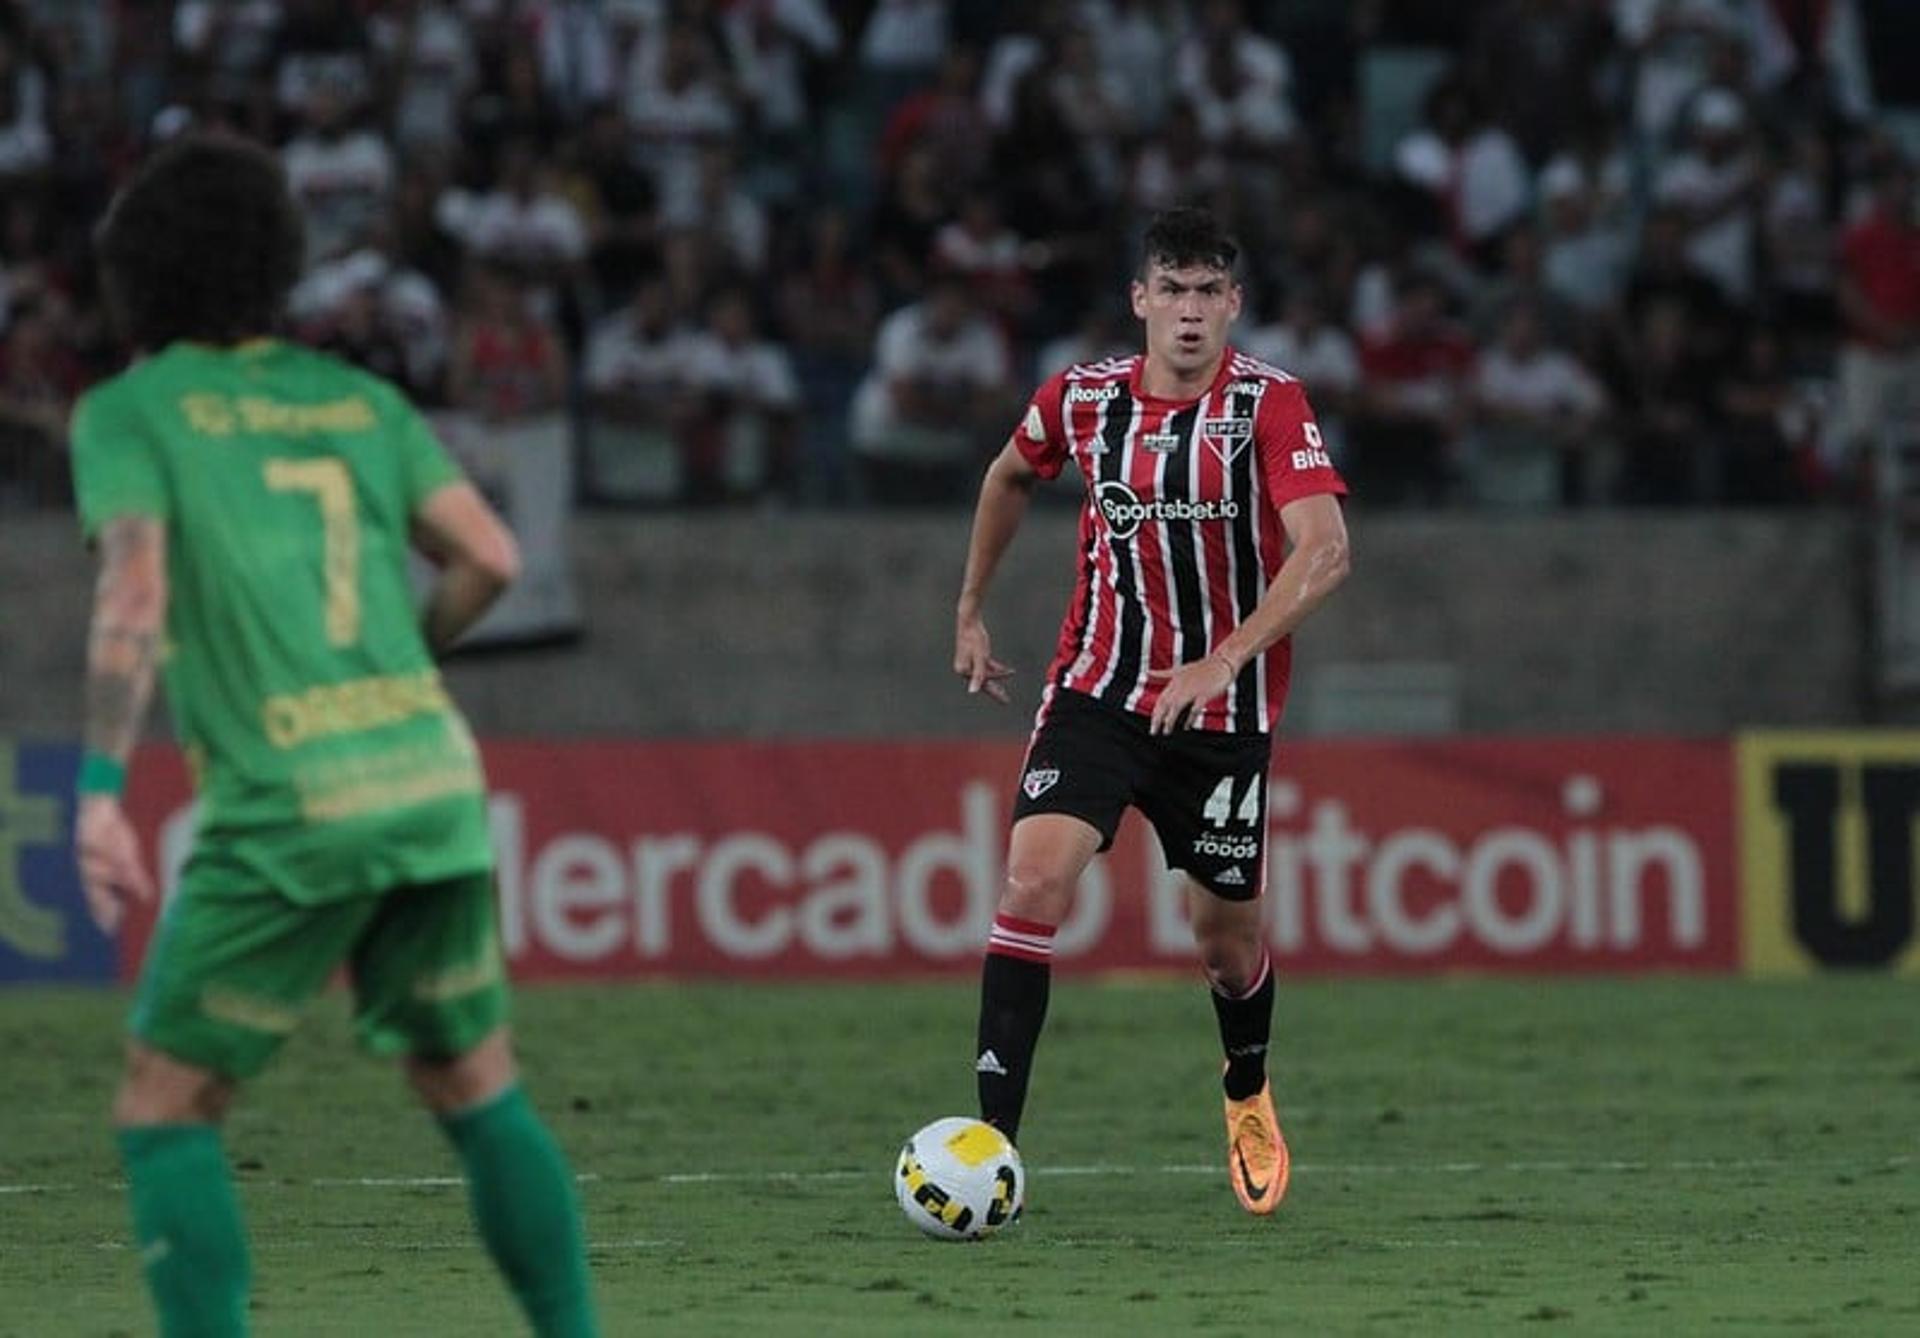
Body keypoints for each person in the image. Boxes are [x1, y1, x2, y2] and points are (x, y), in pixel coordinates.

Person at [69, 134, 598, 1337]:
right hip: (427, 772)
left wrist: (101, 786)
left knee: (165, 1105)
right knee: (471, 1079)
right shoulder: (358, 400)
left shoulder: (129, 413)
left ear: (137, 278)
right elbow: (494, 557)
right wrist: (404, 664)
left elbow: (134, 596)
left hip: (290, 799)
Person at [950, 207, 1350, 1216]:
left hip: (1221, 714)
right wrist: (969, 609)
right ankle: (990, 1144)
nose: (1189, 310)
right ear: (1139, 300)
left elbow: (1327, 549)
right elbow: (1007, 475)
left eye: (1209, 291)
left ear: (1234, 305)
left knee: (1226, 942)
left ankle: (1247, 1088)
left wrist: (1222, 658)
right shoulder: (1081, 400)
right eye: (1170, 288)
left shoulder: (1268, 403)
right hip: (1098, 690)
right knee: (1033, 878)